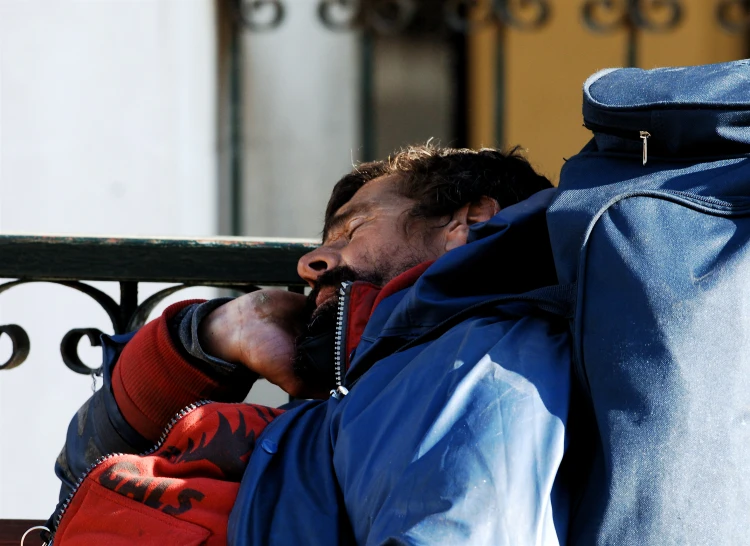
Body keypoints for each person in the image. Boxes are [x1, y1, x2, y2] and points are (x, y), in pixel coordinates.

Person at [50, 143, 573, 545]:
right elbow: (77, 489)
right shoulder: (359, 398)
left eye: (353, 229)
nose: (308, 265)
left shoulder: (484, 360)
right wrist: (211, 338)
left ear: (469, 219)